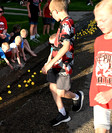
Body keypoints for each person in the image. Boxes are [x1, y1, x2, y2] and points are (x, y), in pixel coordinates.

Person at [41, 0, 84, 126]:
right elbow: (57, 45)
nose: (51, 15)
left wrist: (49, 64)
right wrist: (49, 61)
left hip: (64, 65)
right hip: (56, 64)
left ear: (55, 11)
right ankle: (63, 113)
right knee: (52, 87)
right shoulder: (63, 23)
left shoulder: (67, 23)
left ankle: (77, 97)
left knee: (61, 92)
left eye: (50, 13)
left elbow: (66, 47)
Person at [89, 0, 112, 132]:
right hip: (99, 95)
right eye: (97, 21)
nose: (99, 24)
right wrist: (94, 91)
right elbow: (97, 69)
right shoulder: (98, 41)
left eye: (103, 20)